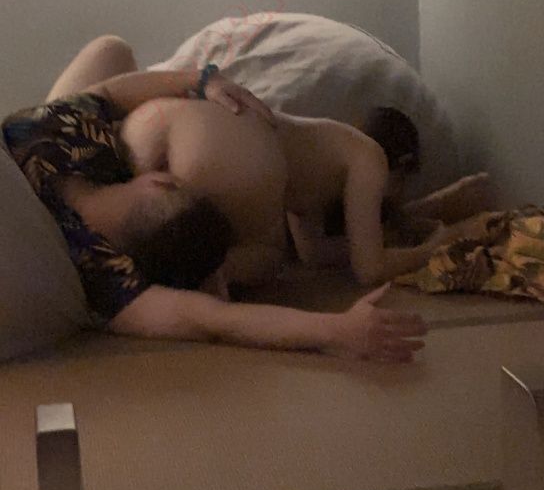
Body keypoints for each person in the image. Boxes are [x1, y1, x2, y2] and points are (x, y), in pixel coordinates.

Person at [2, 35, 428, 363]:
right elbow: (217, 318)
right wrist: (335, 329)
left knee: (111, 50)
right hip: (160, 143)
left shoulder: (44, 133)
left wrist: (202, 80)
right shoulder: (109, 280)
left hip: (93, 141)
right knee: (268, 261)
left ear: (159, 181)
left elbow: (217, 319)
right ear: (160, 181)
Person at [120, 96, 475, 289]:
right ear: (403, 163)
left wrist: (391, 235)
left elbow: (313, 254)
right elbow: (370, 269)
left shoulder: (319, 160)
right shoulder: (370, 158)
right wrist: (435, 246)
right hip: (235, 155)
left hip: (168, 122)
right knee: (268, 258)